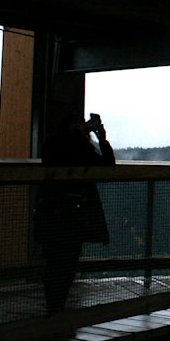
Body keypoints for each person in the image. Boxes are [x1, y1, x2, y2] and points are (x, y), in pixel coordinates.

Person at [35, 113, 114, 315]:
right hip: (73, 213)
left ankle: (54, 307)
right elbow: (107, 165)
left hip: (50, 211)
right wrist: (100, 139)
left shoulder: (53, 143)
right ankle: (57, 308)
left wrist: (94, 137)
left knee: (54, 261)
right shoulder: (77, 146)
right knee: (67, 262)